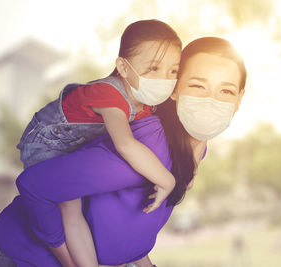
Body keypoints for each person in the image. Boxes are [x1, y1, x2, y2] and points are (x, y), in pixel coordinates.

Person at [0, 36, 246, 267]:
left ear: (239, 100)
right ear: (174, 89)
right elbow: (35, 187)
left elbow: (123, 222)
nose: (211, 100)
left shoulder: (195, 148)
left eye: (226, 90)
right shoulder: (152, 142)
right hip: (21, 257)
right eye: (198, 86)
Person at [16, 19, 181, 266]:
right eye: (153, 68)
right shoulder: (110, 96)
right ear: (123, 68)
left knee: (83, 206)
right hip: (47, 141)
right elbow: (126, 144)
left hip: (77, 144)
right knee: (70, 208)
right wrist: (166, 179)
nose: (165, 79)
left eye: (173, 71)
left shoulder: (144, 101)